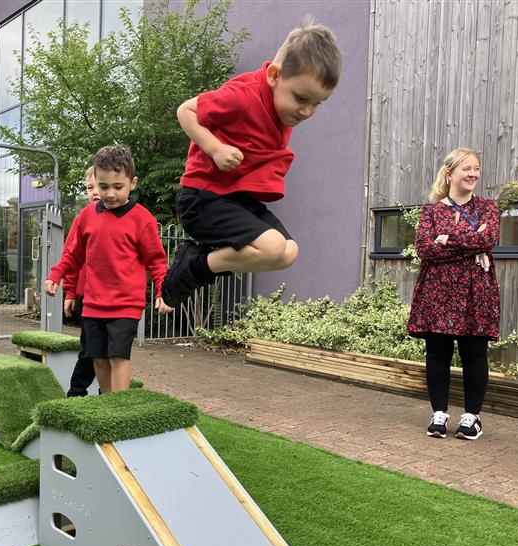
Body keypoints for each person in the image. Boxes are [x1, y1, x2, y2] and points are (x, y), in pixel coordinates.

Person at [160, 16, 342, 308]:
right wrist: (215, 148)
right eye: (301, 98)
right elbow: (186, 111)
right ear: (274, 75)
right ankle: (194, 266)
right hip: (203, 197)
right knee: (271, 247)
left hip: (235, 198)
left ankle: (203, 260)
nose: (307, 111)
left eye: (317, 103)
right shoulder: (242, 95)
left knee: (288, 252)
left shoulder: (283, 107)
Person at [44, 145, 172, 393]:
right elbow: (73, 253)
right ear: (95, 183)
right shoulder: (87, 216)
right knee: (99, 357)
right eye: (103, 187)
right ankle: (107, 402)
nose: (110, 193)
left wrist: (162, 291)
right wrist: (56, 275)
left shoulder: (142, 218)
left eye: (117, 187)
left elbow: (156, 260)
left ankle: (119, 407)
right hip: (93, 303)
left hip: (126, 304)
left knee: (118, 356)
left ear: (132, 183)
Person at [408, 148, 500, 440]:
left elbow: (488, 239)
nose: (473, 174)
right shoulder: (432, 211)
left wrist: (447, 238)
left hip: (476, 291)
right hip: (438, 292)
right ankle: (439, 415)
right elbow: (424, 249)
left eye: (476, 169)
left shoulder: (487, 208)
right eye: (466, 169)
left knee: (474, 354)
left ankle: (471, 418)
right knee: (438, 353)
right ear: (449, 174)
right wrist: (468, 242)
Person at [63, 166, 100, 396]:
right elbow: (70, 257)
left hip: (114, 296)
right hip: (89, 295)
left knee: (111, 352)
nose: (94, 192)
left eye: (99, 186)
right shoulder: (83, 219)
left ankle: (109, 395)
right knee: (89, 346)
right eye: (89, 187)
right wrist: (69, 293)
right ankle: (76, 392)